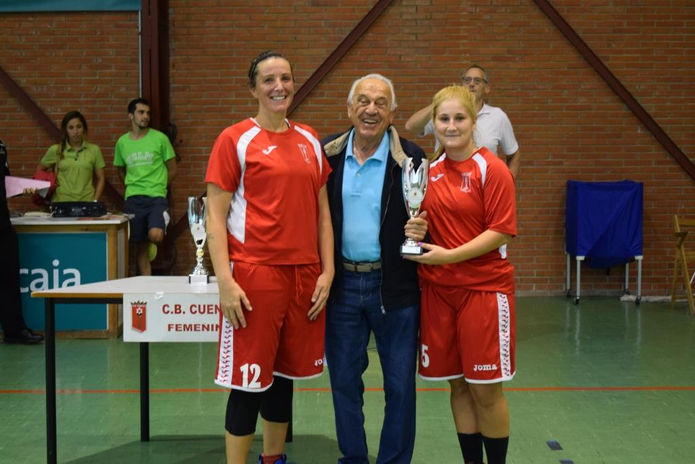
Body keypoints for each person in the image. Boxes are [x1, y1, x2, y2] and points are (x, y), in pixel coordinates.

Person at [205, 50, 334, 464]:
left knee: (283, 377)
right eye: (269, 80)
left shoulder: (310, 139)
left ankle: (273, 459)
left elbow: (322, 213)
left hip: (304, 276)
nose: (279, 87)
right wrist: (225, 281)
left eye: (286, 78)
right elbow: (214, 216)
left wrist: (328, 270)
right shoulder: (235, 139)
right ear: (253, 89)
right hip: (255, 275)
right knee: (248, 382)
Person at [405, 85, 517, 464]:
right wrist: (418, 231)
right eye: (444, 119)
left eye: (459, 118)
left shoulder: (492, 168)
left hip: (483, 292)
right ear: (434, 124)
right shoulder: (427, 173)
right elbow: (426, 224)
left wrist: (449, 256)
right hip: (438, 293)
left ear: (473, 122)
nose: (451, 126)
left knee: (485, 389)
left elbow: (501, 231)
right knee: (458, 387)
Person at [322, 73, 427, 464]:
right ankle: (353, 458)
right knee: (344, 382)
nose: (371, 109)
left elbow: (432, 215)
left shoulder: (413, 159)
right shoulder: (326, 156)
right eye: (363, 101)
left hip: (394, 286)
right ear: (349, 109)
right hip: (342, 286)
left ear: (393, 112)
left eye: (381, 103)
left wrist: (425, 227)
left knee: (400, 385)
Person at [405, 64, 521, 178]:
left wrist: (508, 181)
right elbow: (411, 127)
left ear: (487, 88)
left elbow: (513, 154)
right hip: (445, 181)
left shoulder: (497, 116)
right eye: (467, 80)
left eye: (477, 81)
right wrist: (439, 102)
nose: (471, 84)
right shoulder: (446, 113)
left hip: (484, 183)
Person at [114, 98, 177, 276]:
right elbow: (120, 170)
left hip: (156, 197)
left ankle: (153, 237)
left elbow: (173, 169)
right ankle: (145, 285)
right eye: (141, 112)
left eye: (148, 113)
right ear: (131, 116)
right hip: (133, 198)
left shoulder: (160, 139)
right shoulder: (122, 143)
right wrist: (132, 186)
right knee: (138, 247)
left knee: (155, 235)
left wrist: (159, 186)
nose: (146, 116)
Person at [0, 138, 44, 344]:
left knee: (9, 279)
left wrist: (23, 188)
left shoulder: (0, 145)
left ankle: (14, 330)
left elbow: (5, 182)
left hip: (2, 224)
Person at [36, 110, 105, 203]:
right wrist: (48, 185)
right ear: (66, 130)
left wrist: (95, 201)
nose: (75, 131)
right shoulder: (56, 150)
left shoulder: (94, 150)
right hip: (61, 202)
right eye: (71, 128)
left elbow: (101, 178)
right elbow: (40, 170)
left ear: (84, 128)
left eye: (79, 127)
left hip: (86, 202)